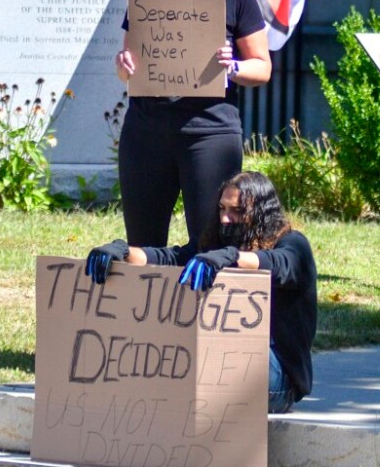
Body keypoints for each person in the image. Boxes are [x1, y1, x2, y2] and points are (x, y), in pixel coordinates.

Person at [85, 170, 317, 414]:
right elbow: (170, 257)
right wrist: (123, 251)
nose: (225, 218)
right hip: (222, 369)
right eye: (222, 209)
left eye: (237, 211)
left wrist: (231, 257)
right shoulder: (217, 242)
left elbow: (277, 264)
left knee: (207, 356)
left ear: (261, 213)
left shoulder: (293, 245)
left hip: (277, 378)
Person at [115, 0, 272, 247]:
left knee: (211, 240)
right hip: (146, 131)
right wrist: (123, 66)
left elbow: (262, 67)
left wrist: (233, 67)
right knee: (142, 243)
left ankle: (205, 285)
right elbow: (129, 66)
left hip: (209, 132)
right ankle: (152, 285)